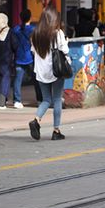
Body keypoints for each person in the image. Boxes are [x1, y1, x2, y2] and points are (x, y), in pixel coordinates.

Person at [28, 8, 69, 141]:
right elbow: (65, 50)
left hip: (40, 71)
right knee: (56, 99)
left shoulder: (36, 33)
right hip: (55, 70)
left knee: (46, 99)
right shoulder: (57, 33)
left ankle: (36, 119)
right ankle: (56, 130)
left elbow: (33, 51)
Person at [12, 9, 42, 108]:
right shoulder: (33, 30)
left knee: (17, 80)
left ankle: (17, 100)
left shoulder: (15, 29)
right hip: (30, 57)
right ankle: (40, 99)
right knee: (36, 79)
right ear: (30, 17)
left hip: (18, 57)